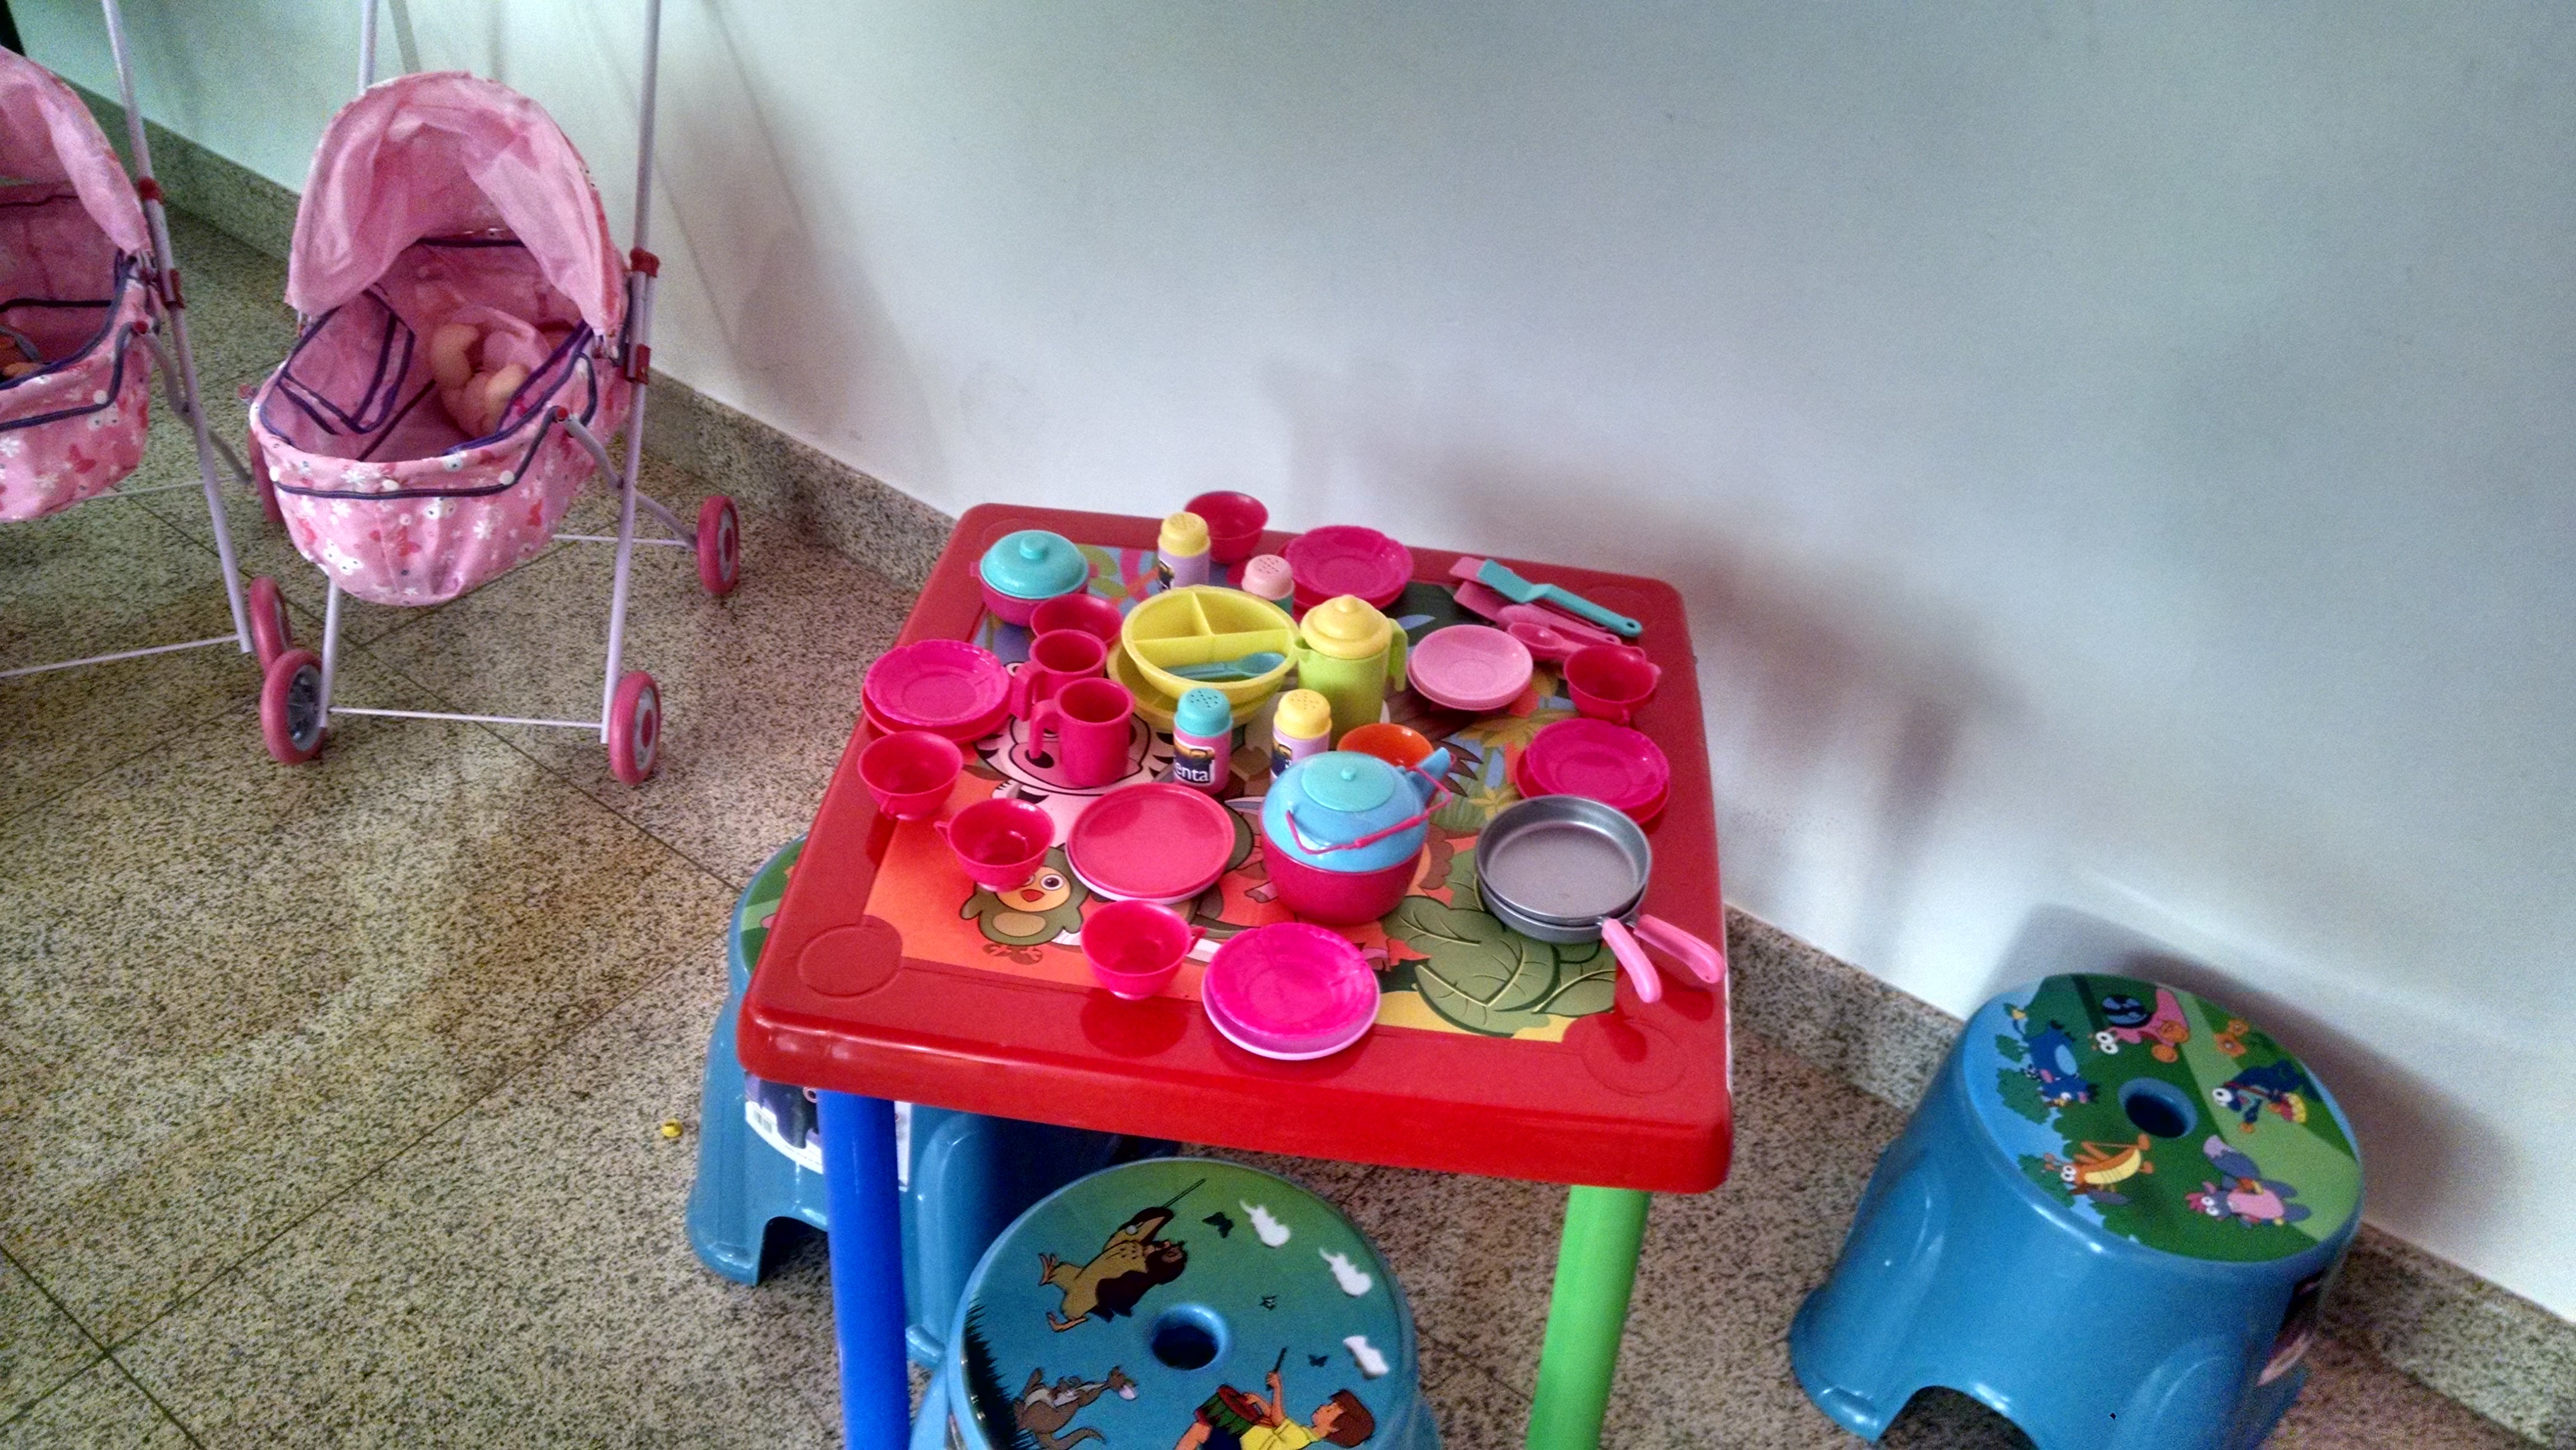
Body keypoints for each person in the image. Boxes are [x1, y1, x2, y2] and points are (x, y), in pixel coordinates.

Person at [1172, 1365, 1373, 1449]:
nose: (1323, 1406)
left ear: (1335, 1428)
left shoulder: (1299, 1438)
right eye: (1330, 1405)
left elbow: (1278, 1419)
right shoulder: (1302, 1433)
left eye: (1329, 1410)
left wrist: (1278, 1387)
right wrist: (1259, 1400)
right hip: (1240, 1441)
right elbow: (1276, 1422)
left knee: (1199, 1430)